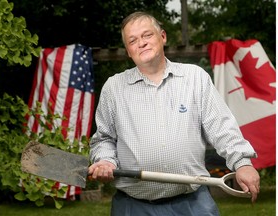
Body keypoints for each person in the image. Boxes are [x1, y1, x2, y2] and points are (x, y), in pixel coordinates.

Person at [88, 11, 260, 216]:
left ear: (162, 36)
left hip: (192, 203)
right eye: (133, 40)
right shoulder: (114, 87)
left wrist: (242, 163)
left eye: (147, 35)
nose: (141, 43)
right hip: (132, 206)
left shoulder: (195, 78)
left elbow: (221, 127)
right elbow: (104, 138)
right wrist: (105, 160)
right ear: (128, 51)